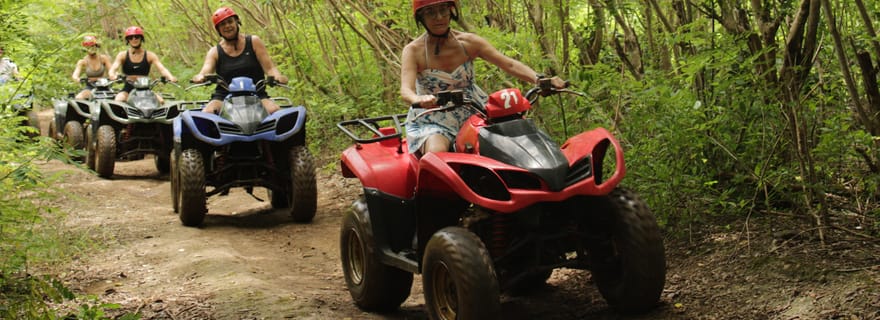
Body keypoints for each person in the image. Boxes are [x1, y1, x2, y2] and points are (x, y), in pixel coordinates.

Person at [400, 0, 567, 155]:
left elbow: (509, 64)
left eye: (443, 10)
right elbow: (406, 90)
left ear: (451, 11)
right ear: (420, 17)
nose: (439, 17)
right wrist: (420, 99)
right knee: (437, 153)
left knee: (514, 143)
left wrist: (540, 79)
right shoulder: (414, 50)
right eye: (430, 12)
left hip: (475, 111)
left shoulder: (469, 42)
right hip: (434, 117)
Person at [191, 7, 288, 115]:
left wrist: (278, 77)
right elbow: (205, 70)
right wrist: (200, 77)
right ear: (218, 29)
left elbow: (270, 68)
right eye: (222, 24)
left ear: (237, 22)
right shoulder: (214, 52)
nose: (227, 26)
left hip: (256, 94)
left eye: (230, 22)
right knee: (206, 114)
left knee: (276, 112)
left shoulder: (254, 42)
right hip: (224, 97)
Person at [108, 26, 177, 103]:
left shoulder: (150, 55)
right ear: (128, 40)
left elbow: (162, 68)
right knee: (119, 100)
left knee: (161, 101)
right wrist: (112, 75)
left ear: (141, 38)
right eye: (131, 37)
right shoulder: (122, 55)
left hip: (146, 88)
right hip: (128, 88)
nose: (134, 39)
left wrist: (170, 77)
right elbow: (114, 68)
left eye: (136, 37)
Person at [71, 35, 113, 99]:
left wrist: (114, 76)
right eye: (88, 47)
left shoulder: (103, 58)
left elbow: (111, 71)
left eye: (92, 46)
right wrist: (77, 79)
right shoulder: (82, 61)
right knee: (79, 98)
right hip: (90, 87)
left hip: (104, 85)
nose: (91, 48)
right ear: (85, 48)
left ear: (96, 46)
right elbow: (75, 74)